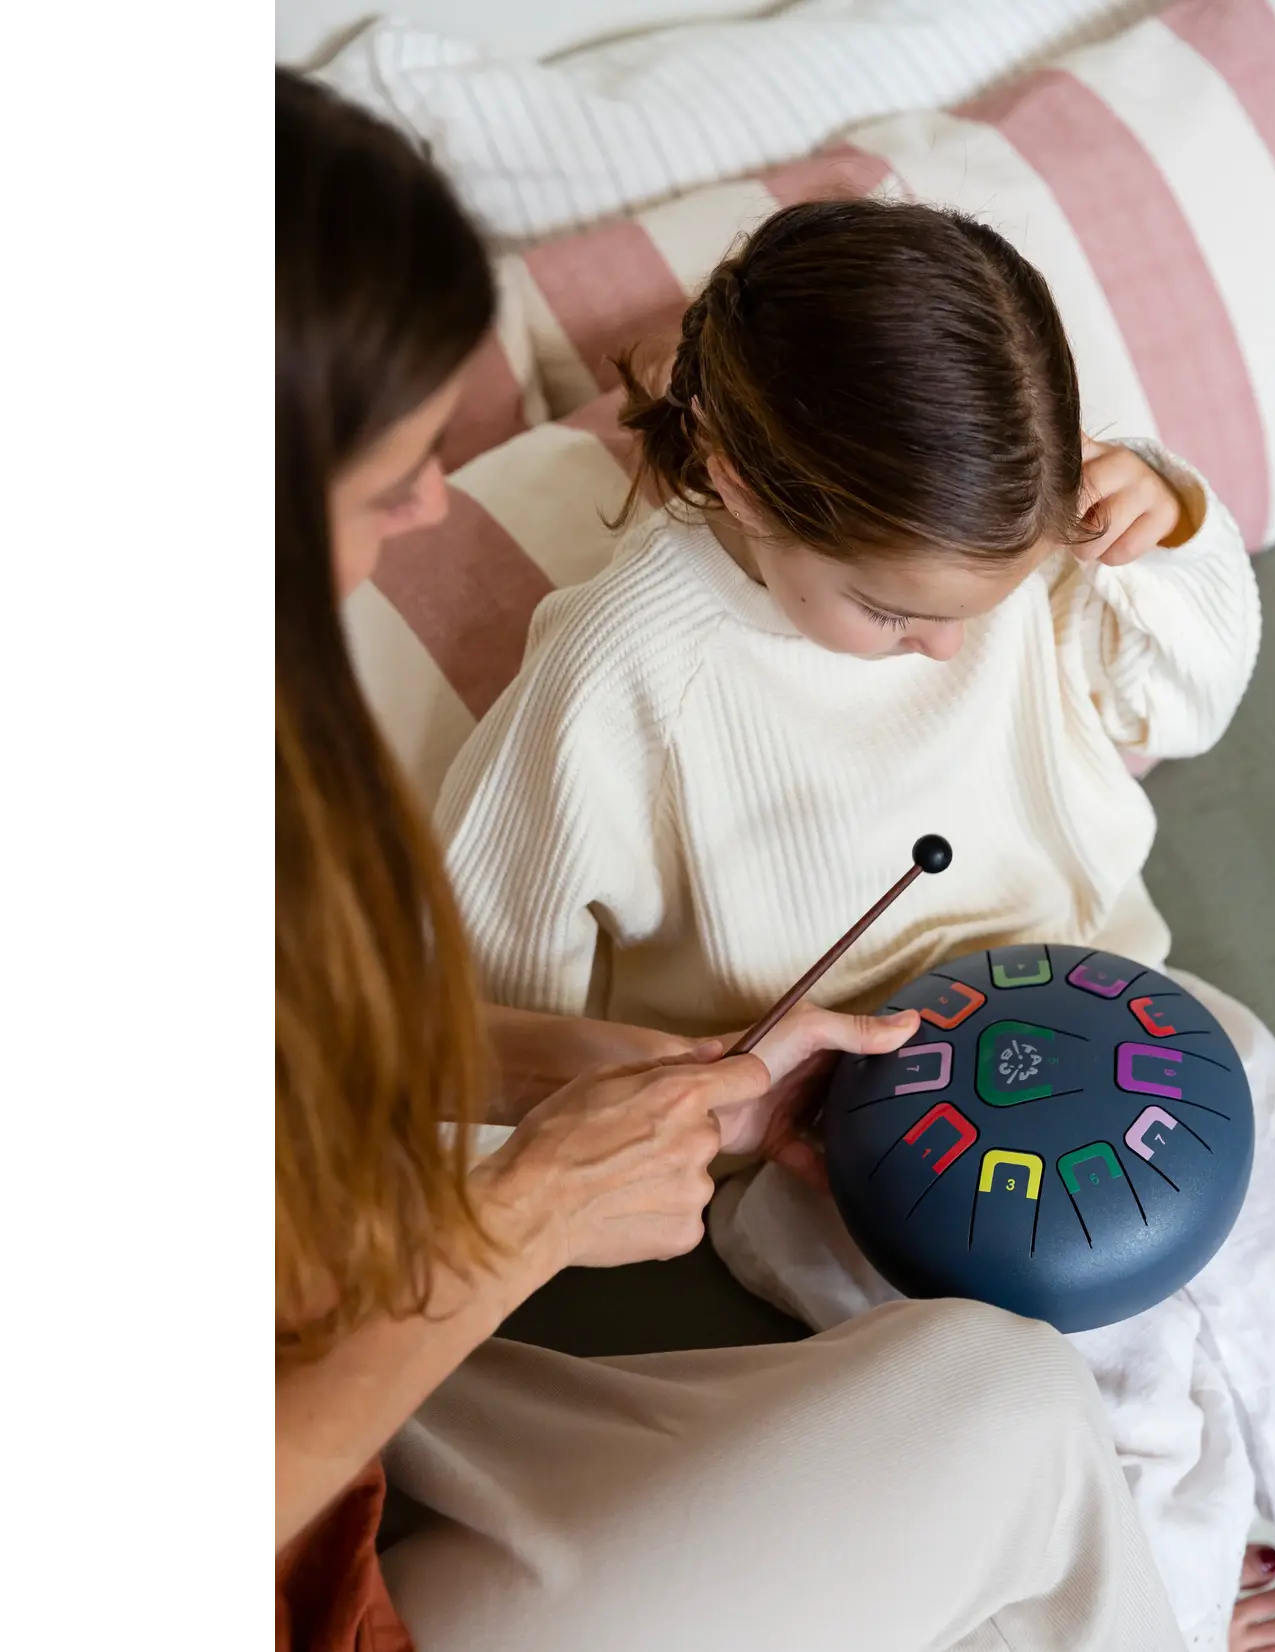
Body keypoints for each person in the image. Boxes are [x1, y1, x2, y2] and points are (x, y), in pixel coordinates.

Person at [272, 68, 1188, 1652]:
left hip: (354, 1357)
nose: (434, 506)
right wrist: (525, 1222)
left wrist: (637, 1072)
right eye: (382, 473)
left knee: (1016, 1405)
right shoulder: (638, 664)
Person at [434, 198, 1275, 1652]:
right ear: (742, 486)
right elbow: (483, 972)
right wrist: (659, 1111)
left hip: (1098, 1003)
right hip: (847, 1126)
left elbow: (1184, 698)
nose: (950, 647)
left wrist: (1172, 530)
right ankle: (1169, 1611)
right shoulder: (630, 673)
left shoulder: (1012, 527)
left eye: (981, 607)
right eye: (894, 617)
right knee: (1094, 1368)